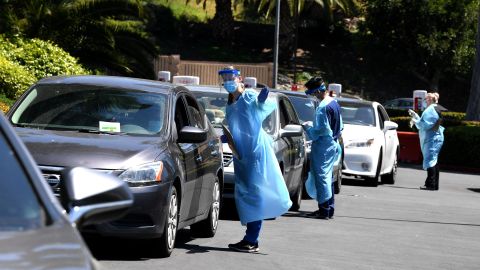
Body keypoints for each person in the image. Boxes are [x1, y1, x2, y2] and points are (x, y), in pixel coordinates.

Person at [219, 66, 292, 253]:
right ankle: (250, 238)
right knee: (245, 194)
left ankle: (252, 239)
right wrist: (225, 137)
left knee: (253, 194)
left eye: (230, 77)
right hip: (241, 153)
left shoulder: (248, 96)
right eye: (224, 77)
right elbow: (237, 126)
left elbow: (260, 108)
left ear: (239, 78)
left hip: (254, 152)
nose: (227, 80)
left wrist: (261, 100)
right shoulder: (231, 102)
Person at [302, 76, 342, 220]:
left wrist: (308, 128)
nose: (313, 96)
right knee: (328, 177)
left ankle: (324, 209)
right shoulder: (334, 103)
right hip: (332, 143)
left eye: (313, 93)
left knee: (321, 177)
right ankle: (328, 208)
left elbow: (321, 130)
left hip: (324, 145)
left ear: (319, 91)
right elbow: (339, 126)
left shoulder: (323, 107)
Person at [409, 92, 444, 190]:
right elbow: (426, 123)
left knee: (430, 161)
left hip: (432, 138)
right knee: (434, 161)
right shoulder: (435, 108)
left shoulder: (431, 110)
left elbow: (425, 125)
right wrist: (416, 116)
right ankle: (433, 184)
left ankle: (431, 184)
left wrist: (415, 120)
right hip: (435, 137)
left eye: (426, 99)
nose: (424, 101)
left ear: (430, 100)